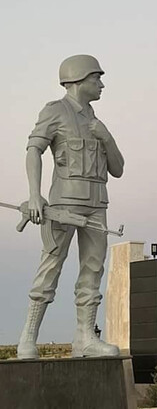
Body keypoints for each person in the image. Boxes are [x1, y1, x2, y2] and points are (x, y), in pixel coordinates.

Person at [17, 54, 125, 359]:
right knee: (50, 266)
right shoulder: (55, 111)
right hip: (64, 204)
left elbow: (118, 169)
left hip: (97, 205)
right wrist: (35, 195)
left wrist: (107, 137)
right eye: (96, 78)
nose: (101, 84)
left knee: (93, 271)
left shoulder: (96, 121)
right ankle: (28, 337)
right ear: (77, 80)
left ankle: (85, 339)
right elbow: (33, 150)